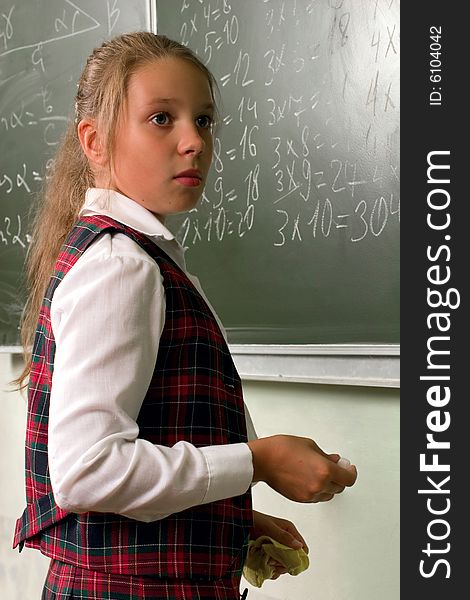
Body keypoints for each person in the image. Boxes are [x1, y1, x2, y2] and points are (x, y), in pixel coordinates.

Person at [12, 32, 357, 600]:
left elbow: (141, 446)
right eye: (160, 119)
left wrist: (228, 523)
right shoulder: (122, 266)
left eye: (204, 119)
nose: (194, 141)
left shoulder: (132, 255)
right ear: (94, 142)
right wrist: (258, 461)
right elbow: (88, 471)